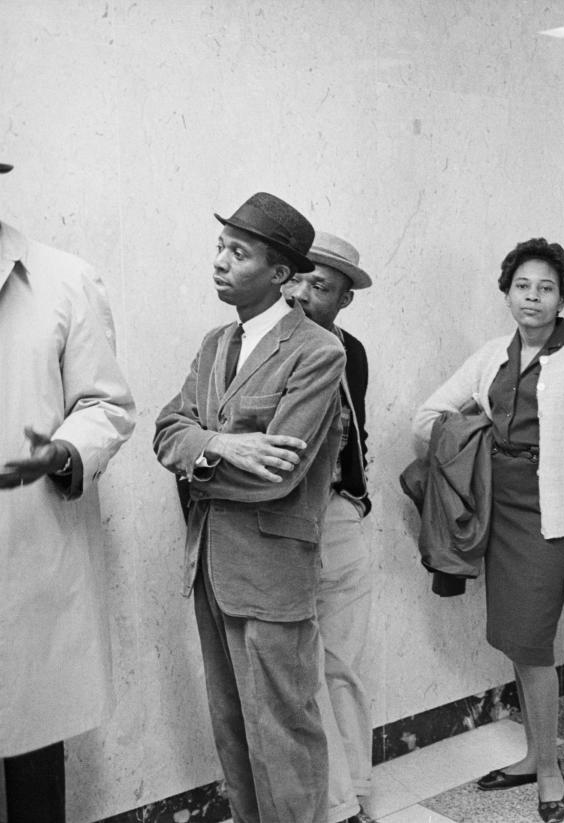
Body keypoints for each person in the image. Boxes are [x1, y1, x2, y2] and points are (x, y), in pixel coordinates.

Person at [153, 192, 346, 823]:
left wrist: (195, 465)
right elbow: (165, 431)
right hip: (210, 567)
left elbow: (277, 479)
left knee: (283, 735)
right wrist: (222, 444)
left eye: (239, 252)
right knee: (233, 730)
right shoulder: (215, 344)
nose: (220, 262)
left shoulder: (318, 352)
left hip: (271, 576)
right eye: (220, 248)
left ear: (282, 274)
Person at [412, 238, 564, 823]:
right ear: (507, 292)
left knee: (531, 644)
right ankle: (533, 754)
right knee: (513, 639)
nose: (532, 297)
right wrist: (477, 439)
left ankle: (550, 770)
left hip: (551, 525)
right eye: (522, 285)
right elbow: (428, 419)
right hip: (496, 517)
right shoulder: (490, 356)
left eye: (545, 288)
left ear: (562, 299)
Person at [1, 161, 136, 823]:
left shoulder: (63, 279)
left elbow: (106, 406)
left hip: (26, 560)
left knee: (28, 741)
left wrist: (63, 451)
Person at [282, 231, 375, 823]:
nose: (301, 294)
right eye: (298, 278)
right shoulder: (274, 345)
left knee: (341, 666)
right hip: (290, 524)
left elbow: (351, 434)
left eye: (321, 286)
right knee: (310, 670)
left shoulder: (349, 351)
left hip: (336, 517)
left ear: (344, 299)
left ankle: (355, 794)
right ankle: (343, 804)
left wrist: (356, 502)